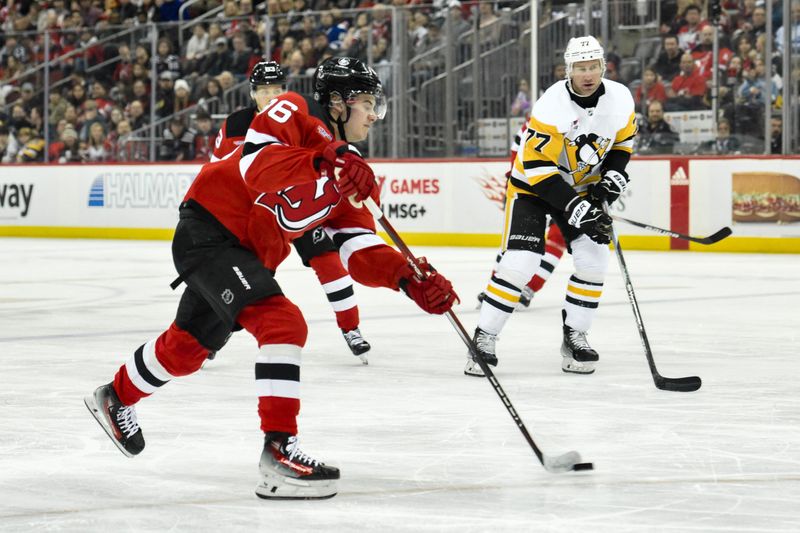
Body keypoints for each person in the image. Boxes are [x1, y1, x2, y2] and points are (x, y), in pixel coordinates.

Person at [84, 56, 458, 500]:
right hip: (210, 229)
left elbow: (358, 251)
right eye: (368, 103)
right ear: (338, 102)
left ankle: (116, 396)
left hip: (249, 256)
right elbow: (256, 168)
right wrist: (325, 157)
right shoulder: (294, 110)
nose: (375, 114)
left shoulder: (353, 175)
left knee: (186, 348)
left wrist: (408, 279)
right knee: (283, 323)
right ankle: (278, 453)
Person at [465, 35, 635, 377]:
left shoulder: (620, 97)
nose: (587, 74)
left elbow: (622, 143)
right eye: (580, 67)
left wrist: (608, 185)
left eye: (593, 67)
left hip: (582, 187)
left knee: (593, 261)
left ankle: (575, 336)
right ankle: (483, 339)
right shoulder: (551, 104)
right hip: (532, 187)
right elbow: (538, 167)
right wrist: (574, 205)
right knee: (520, 264)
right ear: (568, 69)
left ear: (603, 67)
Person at [212, 60, 374, 363]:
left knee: (329, 262)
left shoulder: (300, 115)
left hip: (301, 205)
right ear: (252, 93)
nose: (271, 96)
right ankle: (214, 332)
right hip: (260, 213)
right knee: (247, 277)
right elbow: (217, 171)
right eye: (264, 90)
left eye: (277, 89)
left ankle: (351, 328)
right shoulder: (236, 124)